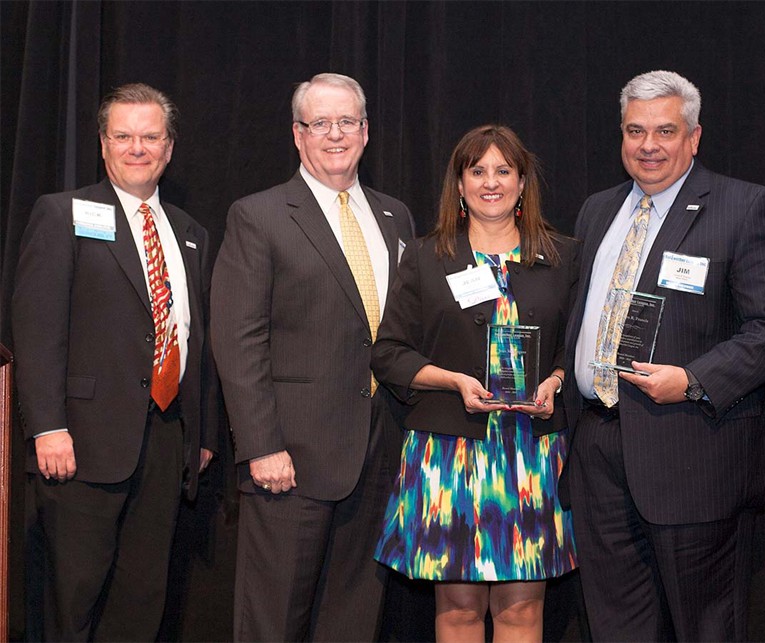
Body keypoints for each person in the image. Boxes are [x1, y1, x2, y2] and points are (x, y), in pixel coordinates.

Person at [563, 70, 765, 641]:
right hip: (598, 447)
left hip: (691, 451)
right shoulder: (598, 210)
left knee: (707, 627)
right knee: (615, 625)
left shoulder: (743, 206)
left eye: (665, 131)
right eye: (635, 131)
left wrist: (693, 379)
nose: (648, 146)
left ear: (694, 137)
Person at [211, 72, 415, 642]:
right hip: (290, 457)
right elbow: (238, 339)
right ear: (297, 135)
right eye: (319, 123)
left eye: (346, 121)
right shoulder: (259, 215)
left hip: (378, 450)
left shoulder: (396, 216)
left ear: (366, 132)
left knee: (352, 618)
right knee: (273, 619)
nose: (334, 134)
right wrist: (261, 445)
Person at [11, 83, 217, 640]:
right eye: (123, 136)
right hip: (81, 445)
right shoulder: (62, 214)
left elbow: (198, 341)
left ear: (169, 149)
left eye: (150, 137)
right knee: (71, 600)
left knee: (142, 598)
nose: (137, 148)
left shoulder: (191, 233)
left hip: (165, 439)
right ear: (103, 146)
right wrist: (49, 427)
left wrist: (199, 432)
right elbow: (37, 330)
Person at [371, 124, 578, 643]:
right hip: (449, 456)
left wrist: (554, 380)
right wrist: (452, 380)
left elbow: (574, 349)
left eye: (503, 171)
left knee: (523, 610)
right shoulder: (425, 257)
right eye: (477, 171)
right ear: (459, 185)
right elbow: (389, 353)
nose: (491, 182)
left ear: (523, 182)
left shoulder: (563, 257)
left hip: (530, 455)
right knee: (459, 609)